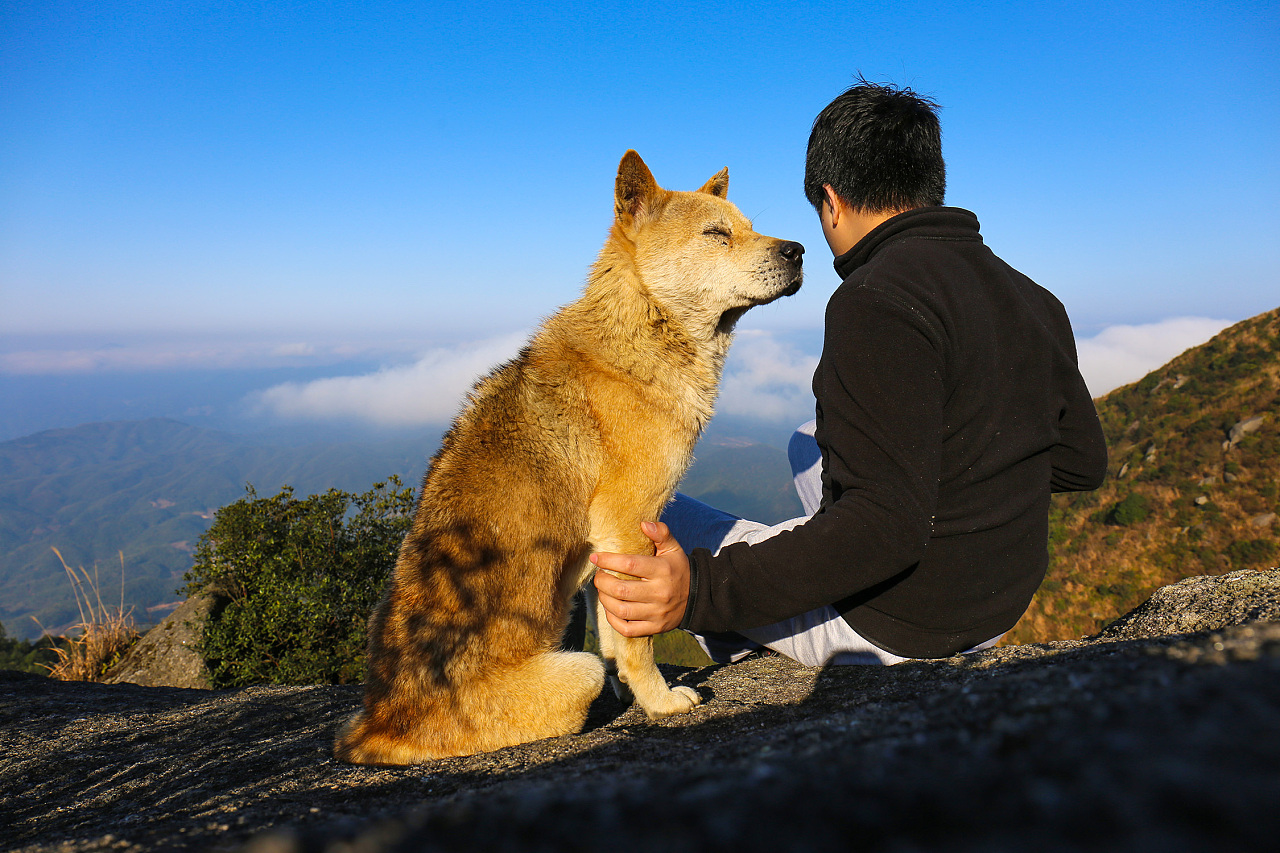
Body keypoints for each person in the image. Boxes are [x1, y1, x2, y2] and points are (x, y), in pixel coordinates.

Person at [590, 80, 1108, 666]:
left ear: (831, 201)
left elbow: (882, 529)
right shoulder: (1033, 297)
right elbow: (1081, 463)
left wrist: (702, 591)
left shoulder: (877, 299)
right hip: (998, 602)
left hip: (901, 625)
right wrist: (973, 471)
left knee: (656, 512)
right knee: (804, 441)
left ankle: (739, 649)